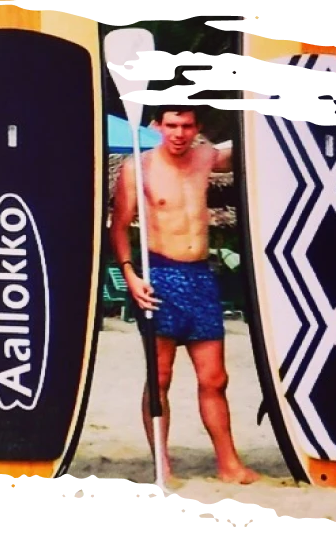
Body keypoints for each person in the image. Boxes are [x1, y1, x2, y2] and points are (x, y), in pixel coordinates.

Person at [110, 101, 260, 485]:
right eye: (172, 126)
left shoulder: (206, 158)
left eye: (187, 126)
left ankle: (228, 464)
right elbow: (119, 226)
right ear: (157, 126)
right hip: (159, 277)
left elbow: (252, 145)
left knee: (215, 378)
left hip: (200, 277)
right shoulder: (137, 168)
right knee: (160, 376)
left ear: (197, 129)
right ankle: (162, 465)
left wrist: (268, 112)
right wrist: (130, 275)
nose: (179, 134)